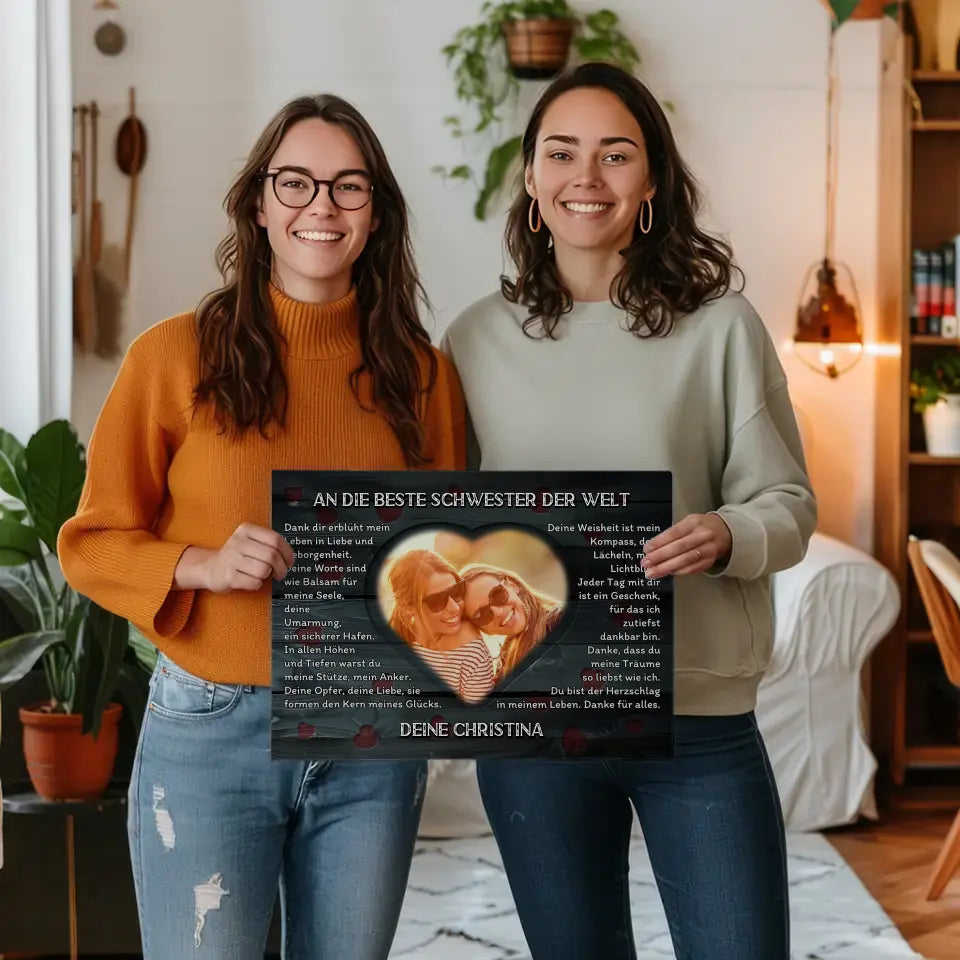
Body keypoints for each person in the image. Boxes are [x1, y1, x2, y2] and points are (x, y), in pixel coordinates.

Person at [58, 94, 465, 959]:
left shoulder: (424, 377)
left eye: (349, 187)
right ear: (257, 204)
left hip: (368, 734)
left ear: (377, 214)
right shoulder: (172, 356)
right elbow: (90, 542)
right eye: (296, 183)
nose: (322, 206)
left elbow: (448, 565)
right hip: (210, 727)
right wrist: (200, 564)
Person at [440, 62, 816, 960]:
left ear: (651, 183)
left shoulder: (722, 327)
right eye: (562, 154)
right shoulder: (470, 341)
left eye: (616, 155)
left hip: (698, 722)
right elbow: (442, 529)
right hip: (533, 723)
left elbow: (791, 505)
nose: (587, 177)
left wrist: (728, 533)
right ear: (530, 179)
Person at [387, 549, 495, 704]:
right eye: (437, 601)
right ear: (408, 607)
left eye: (457, 591)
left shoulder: (471, 652)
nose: (455, 608)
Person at [459, 564, 562, 680]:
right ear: (482, 629)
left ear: (512, 586)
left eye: (497, 595)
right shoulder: (503, 666)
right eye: (481, 614)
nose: (497, 612)